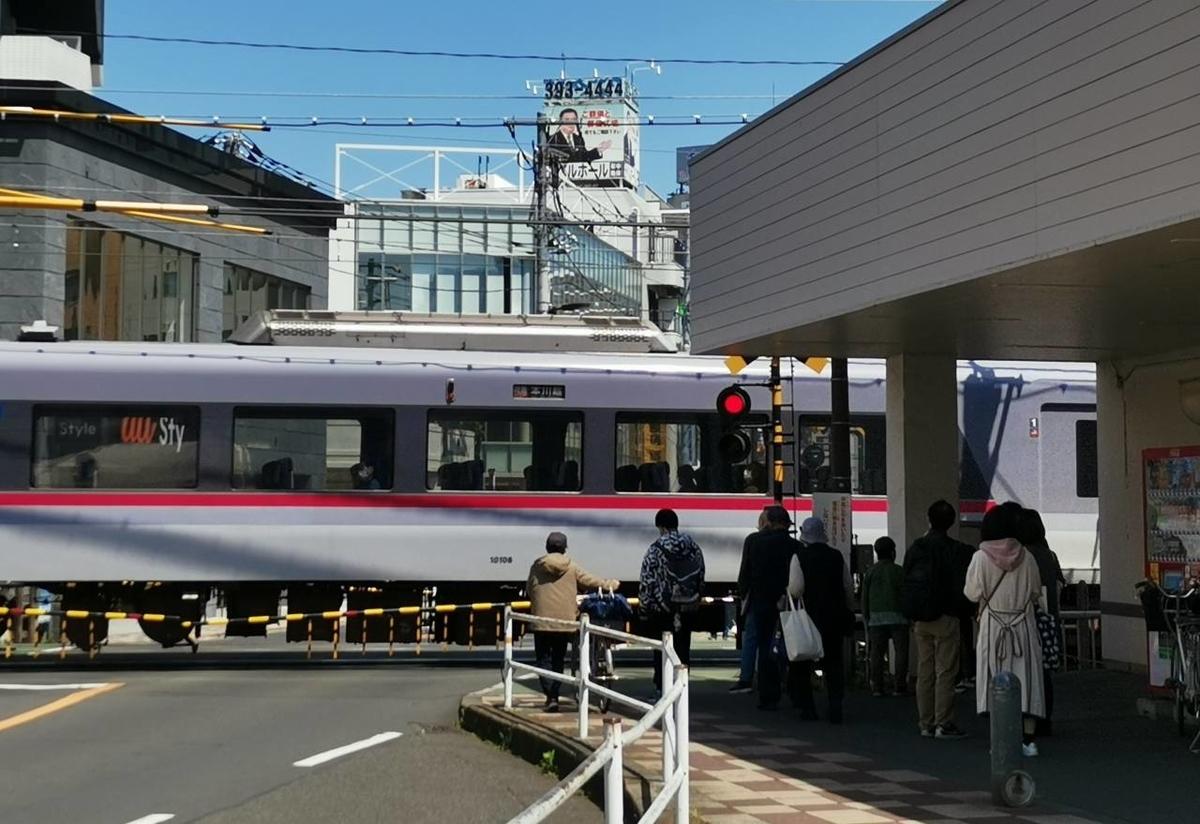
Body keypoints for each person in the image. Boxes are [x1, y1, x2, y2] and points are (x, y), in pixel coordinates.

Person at [966, 502, 1046, 757]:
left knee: (994, 681)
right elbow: (1035, 592)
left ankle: (999, 740)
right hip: (1022, 626)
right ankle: (1029, 740)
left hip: (994, 627)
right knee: (1028, 682)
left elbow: (971, 593)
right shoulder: (1027, 556)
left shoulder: (980, 557)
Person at [526, 532, 619, 712]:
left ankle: (550, 696)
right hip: (565, 621)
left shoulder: (537, 566)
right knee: (558, 659)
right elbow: (589, 580)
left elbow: (530, 589)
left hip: (541, 621)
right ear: (564, 548)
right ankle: (555, 692)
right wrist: (611, 584)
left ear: (547, 547)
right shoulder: (571, 566)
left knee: (543, 659)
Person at [902, 500, 972, 739]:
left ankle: (925, 723)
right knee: (946, 671)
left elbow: (907, 577)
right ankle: (944, 722)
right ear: (951, 522)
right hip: (946, 615)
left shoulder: (917, 547)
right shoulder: (957, 550)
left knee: (925, 670)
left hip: (921, 617)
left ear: (929, 520)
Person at [787, 517, 854, 723]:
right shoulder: (836, 556)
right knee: (833, 664)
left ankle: (808, 709)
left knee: (803, 665)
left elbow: (796, 589)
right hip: (834, 617)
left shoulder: (799, 557)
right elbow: (848, 587)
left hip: (809, 619)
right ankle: (835, 707)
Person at [735, 506, 799, 707]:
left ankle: (767, 694)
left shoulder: (755, 543)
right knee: (788, 645)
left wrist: (744, 593)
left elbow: (745, 573)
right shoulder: (795, 546)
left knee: (764, 646)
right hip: (787, 602)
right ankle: (790, 686)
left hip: (761, 601)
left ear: (769, 522)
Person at [639, 508, 705, 693]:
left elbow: (647, 581)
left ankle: (663, 688)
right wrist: (696, 599)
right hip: (688, 606)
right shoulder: (693, 547)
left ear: (660, 526)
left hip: (663, 609)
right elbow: (701, 575)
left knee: (662, 649)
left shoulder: (655, 549)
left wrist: (644, 608)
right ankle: (681, 687)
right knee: (683, 648)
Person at [1019, 507, 1065, 737]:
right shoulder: (1049, 555)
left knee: (1025, 673)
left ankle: (1028, 720)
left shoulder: (1019, 555)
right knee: (1044, 673)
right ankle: (1045, 719)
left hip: (1026, 620)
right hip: (1048, 621)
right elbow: (1058, 585)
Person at [862, 536, 910, 697]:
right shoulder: (899, 571)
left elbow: (864, 597)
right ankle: (899, 686)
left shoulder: (870, 571)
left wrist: (866, 616)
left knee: (876, 653)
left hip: (876, 618)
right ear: (892, 552)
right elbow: (905, 595)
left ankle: (877, 687)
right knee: (901, 652)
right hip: (899, 617)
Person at [546, 108, 612, 164]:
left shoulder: (578, 139)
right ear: (560, 121)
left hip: (577, 176)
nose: (570, 123)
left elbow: (584, 157)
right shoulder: (552, 139)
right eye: (567, 119)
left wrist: (598, 150)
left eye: (573, 119)